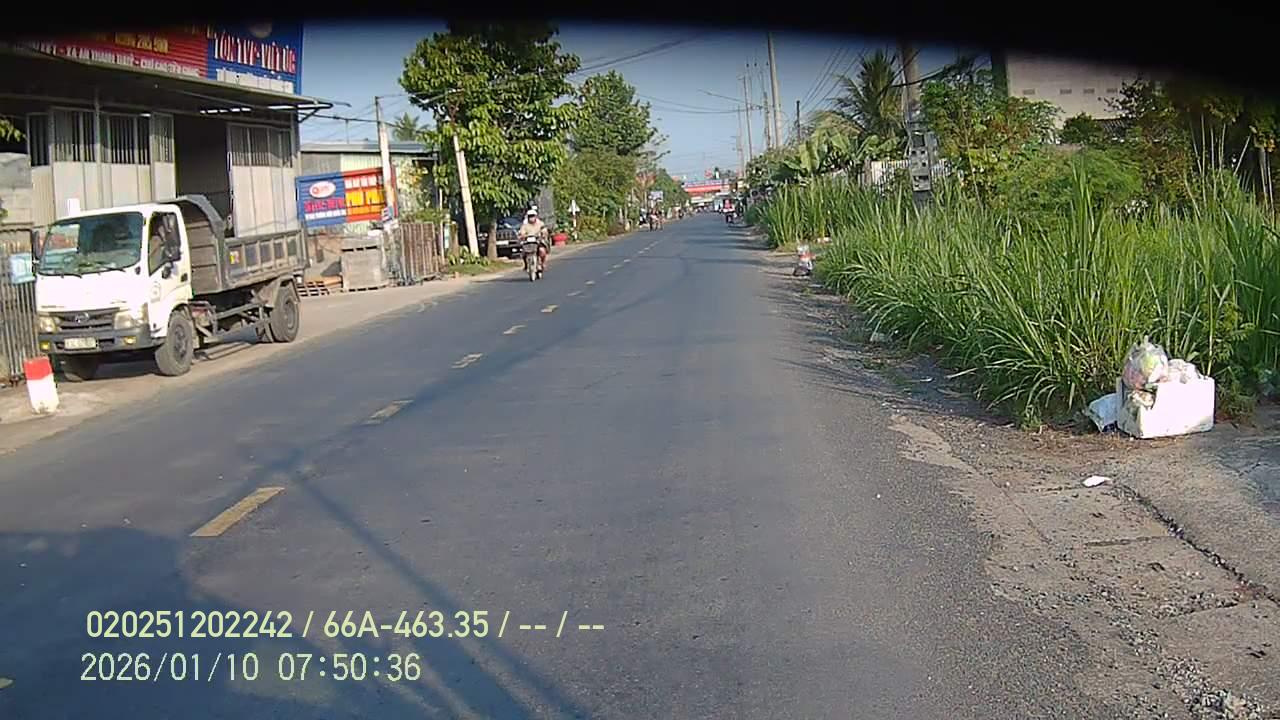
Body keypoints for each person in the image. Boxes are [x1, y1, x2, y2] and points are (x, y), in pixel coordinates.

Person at [518, 207, 549, 272]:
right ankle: (526, 265)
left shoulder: (540, 223)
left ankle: (542, 263)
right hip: (528, 242)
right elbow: (522, 232)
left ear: (535, 216)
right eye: (530, 216)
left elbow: (544, 230)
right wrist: (522, 236)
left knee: (542, 251)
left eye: (533, 216)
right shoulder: (525, 225)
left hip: (538, 241)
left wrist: (543, 234)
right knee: (523, 252)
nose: (531, 218)